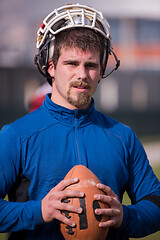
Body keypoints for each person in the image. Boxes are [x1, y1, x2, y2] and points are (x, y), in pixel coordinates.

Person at [0, 4, 160, 240]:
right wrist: (39, 211)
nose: (82, 75)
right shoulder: (16, 135)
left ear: (102, 69)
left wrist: (125, 216)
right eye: (72, 63)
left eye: (91, 65)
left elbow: (155, 203)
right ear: (51, 67)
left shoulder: (122, 136)